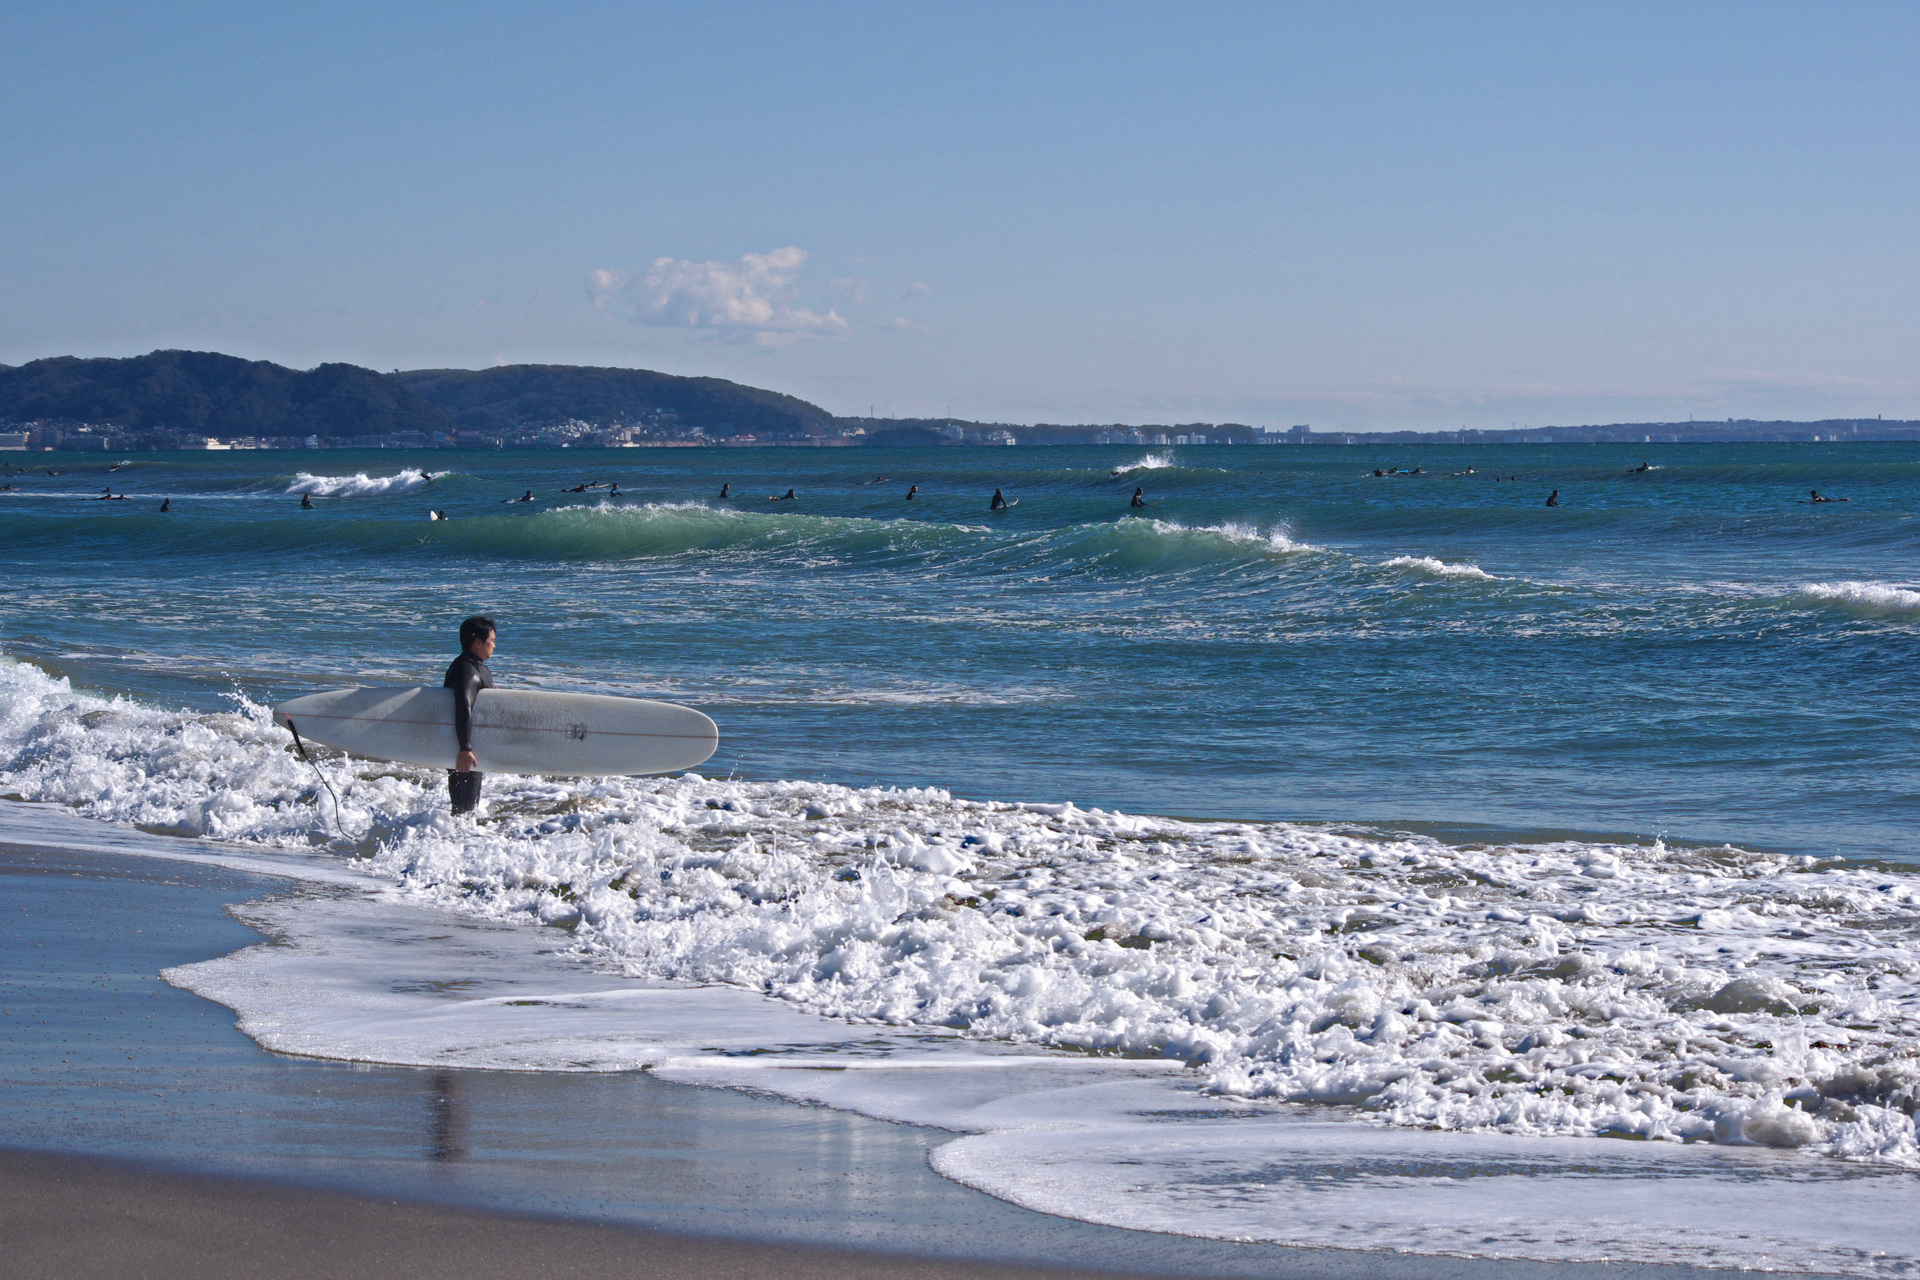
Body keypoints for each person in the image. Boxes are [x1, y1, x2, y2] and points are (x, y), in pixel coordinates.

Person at [444, 616, 496, 816]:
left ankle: (463, 839)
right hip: (462, 747)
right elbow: (463, 706)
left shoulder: (477, 668)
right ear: (477, 643)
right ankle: (456, 840)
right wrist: (465, 747)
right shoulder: (466, 670)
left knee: (469, 805)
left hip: (470, 744)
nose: (494, 646)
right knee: (463, 808)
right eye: (491, 641)